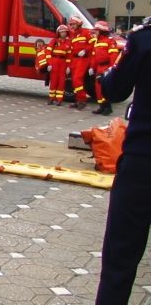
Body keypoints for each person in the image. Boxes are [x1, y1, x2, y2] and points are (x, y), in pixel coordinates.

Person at [95, 18, 151, 304]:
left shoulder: (144, 38)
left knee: (121, 256)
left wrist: (104, 78)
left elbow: (115, 88)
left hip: (143, 160)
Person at [89, 20, 119, 115]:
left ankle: (108, 107)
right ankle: (102, 106)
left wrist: (110, 69)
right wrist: (91, 67)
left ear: (102, 31)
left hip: (106, 67)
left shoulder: (110, 41)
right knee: (98, 88)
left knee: (104, 88)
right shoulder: (97, 42)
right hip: (99, 67)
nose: (95, 32)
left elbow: (113, 56)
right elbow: (94, 56)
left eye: (96, 31)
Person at [67, 16, 94, 110]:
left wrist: (85, 50)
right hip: (75, 59)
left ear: (78, 24)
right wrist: (69, 65)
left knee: (77, 79)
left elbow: (93, 43)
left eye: (73, 24)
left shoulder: (86, 32)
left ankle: (83, 100)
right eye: (71, 24)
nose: (72, 26)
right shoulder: (73, 35)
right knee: (74, 81)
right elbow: (71, 51)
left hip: (83, 59)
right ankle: (78, 100)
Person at [45, 25, 71, 105]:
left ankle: (59, 99)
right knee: (53, 80)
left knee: (61, 81)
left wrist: (68, 67)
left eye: (65, 32)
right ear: (58, 33)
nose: (63, 33)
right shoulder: (54, 41)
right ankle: (51, 98)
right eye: (62, 32)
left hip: (63, 62)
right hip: (54, 61)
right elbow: (48, 52)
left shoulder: (68, 42)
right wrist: (49, 63)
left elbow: (69, 56)